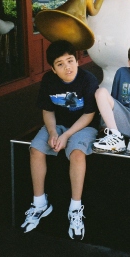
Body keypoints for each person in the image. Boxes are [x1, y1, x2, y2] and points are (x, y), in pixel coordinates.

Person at [21, 40, 99, 240]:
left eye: (70, 60)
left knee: (76, 153)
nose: (67, 67)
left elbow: (89, 114)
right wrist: (53, 132)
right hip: (58, 124)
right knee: (36, 150)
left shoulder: (88, 80)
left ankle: (75, 209)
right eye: (60, 64)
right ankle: (40, 203)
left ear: (77, 61)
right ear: (53, 69)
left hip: (83, 126)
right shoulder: (49, 80)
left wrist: (66, 135)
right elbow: (47, 110)